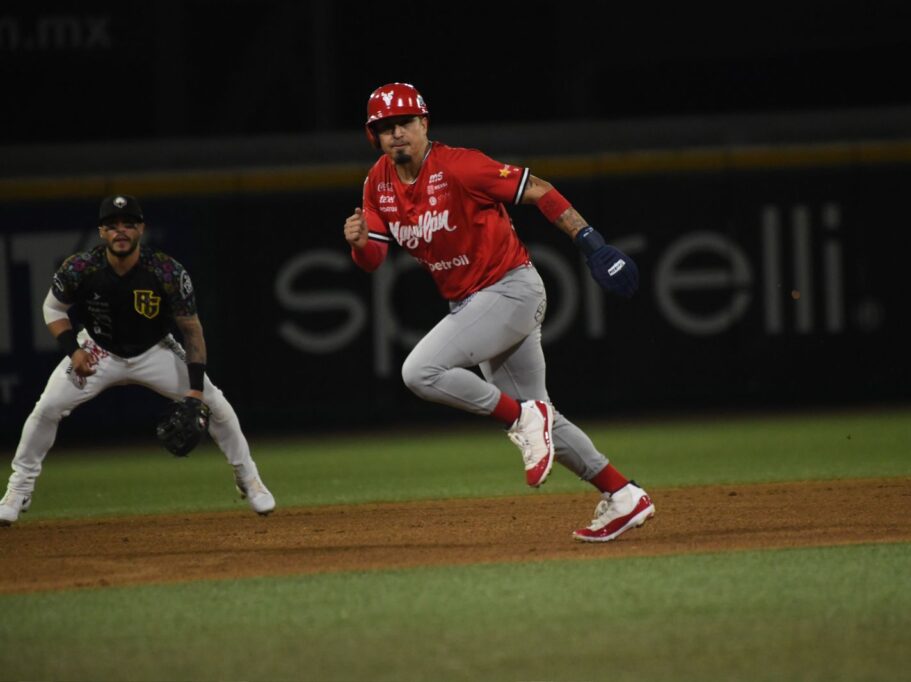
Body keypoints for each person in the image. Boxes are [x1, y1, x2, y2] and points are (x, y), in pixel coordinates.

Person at [343, 83, 654, 542]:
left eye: (405, 123)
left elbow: (540, 190)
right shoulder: (378, 183)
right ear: (374, 137)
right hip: (472, 304)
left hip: (511, 290)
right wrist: (359, 245)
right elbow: (373, 261)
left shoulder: (461, 166)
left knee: (420, 372)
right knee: (544, 416)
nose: (397, 134)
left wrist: (592, 243)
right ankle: (624, 495)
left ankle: (521, 417)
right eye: (385, 128)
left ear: (425, 124)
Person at [0, 195, 275, 526]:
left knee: (215, 403)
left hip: (154, 350)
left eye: (128, 224)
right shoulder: (81, 268)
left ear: (141, 229)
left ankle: (250, 479)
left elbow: (192, 331)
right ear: (102, 232)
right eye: (112, 226)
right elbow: (53, 309)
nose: (121, 231)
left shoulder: (165, 271)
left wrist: (195, 392)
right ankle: (18, 490)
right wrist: (74, 350)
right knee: (46, 408)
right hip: (98, 350)